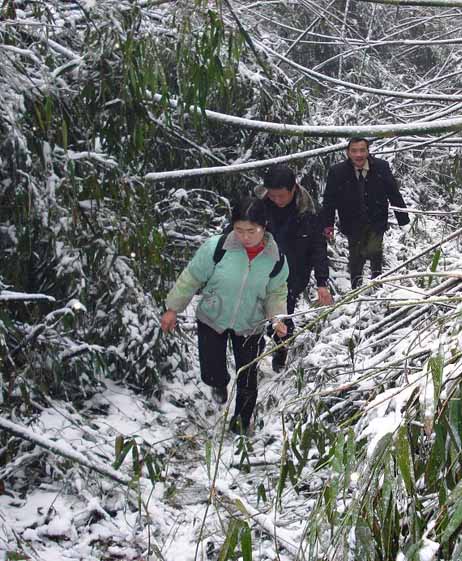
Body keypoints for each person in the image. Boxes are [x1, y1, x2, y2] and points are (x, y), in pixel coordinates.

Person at [160, 197, 289, 435]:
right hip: (213, 317)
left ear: (265, 227)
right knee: (211, 371)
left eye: (252, 230)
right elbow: (192, 277)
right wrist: (172, 309)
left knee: (247, 379)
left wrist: (277, 318)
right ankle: (218, 383)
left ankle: (241, 424)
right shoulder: (216, 248)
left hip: (250, 324)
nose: (245, 236)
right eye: (239, 230)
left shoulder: (276, 259)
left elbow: (276, 292)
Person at [255, 164, 333, 372]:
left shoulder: (310, 211)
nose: (277, 201)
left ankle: (280, 354)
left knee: (282, 315)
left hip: (293, 273)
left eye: (281, 196)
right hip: (260, 269)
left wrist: (322, 282)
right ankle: (253, 356)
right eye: (273, 196)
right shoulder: (259, 205)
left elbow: (318, 248)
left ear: (293, 189)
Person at [322, 138, 410, 288]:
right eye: (354, 151)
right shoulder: (338, 172)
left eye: (362, 150)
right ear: (348, 153)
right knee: (356, 257)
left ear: (368, 151)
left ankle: (377, 285)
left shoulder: (381, 167)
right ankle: (356, 288)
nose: (359, 155)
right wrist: (327, 225)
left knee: (375, 251)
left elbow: (393, 192)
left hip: (376, 219)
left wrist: (403, 219)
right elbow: (330, 200)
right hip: (351, 222)